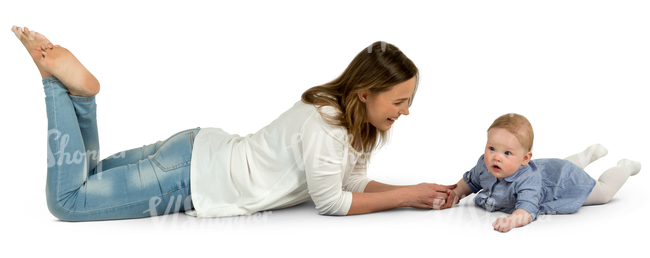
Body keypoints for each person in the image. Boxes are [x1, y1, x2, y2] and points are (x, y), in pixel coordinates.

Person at [12, 25, 455, 221]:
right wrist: (405, 197)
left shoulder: (349, 117)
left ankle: (79, 96)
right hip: (187, 179)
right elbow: (332, 203)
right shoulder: (328, 126)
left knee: (83, 175)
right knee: (69, 201)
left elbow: (352, 183)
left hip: (194, 148)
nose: (406, 111)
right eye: (400, 100)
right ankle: (58, 86)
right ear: (365, 93)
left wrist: (411, 192)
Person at [442, 113, 642, 232]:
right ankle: (587, 155)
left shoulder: (527, 182)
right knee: (562, 165)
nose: (497, 157)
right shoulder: (485, 165)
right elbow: (471, 181)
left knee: (603, 192)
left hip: (563, 185)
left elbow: (527, 210)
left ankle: (625, 167)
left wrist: (511, 220)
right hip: (550, 169)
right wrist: (456, 193)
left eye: (507, 153)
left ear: (525, 159)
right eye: (491, 148)